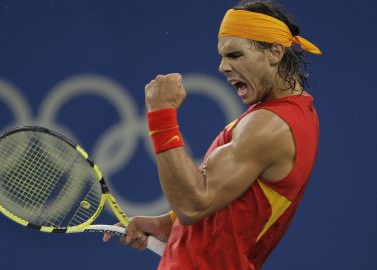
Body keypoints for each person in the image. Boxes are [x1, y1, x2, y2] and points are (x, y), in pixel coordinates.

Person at [104, 0, 321, 269]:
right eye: (222, 56)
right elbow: (229, 208)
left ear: (275, 53)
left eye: (235, 55)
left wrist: (161, 113)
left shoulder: (270, 125)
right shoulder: (280, 115)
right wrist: (167, 224)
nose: (223, 67)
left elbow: (193, 205)